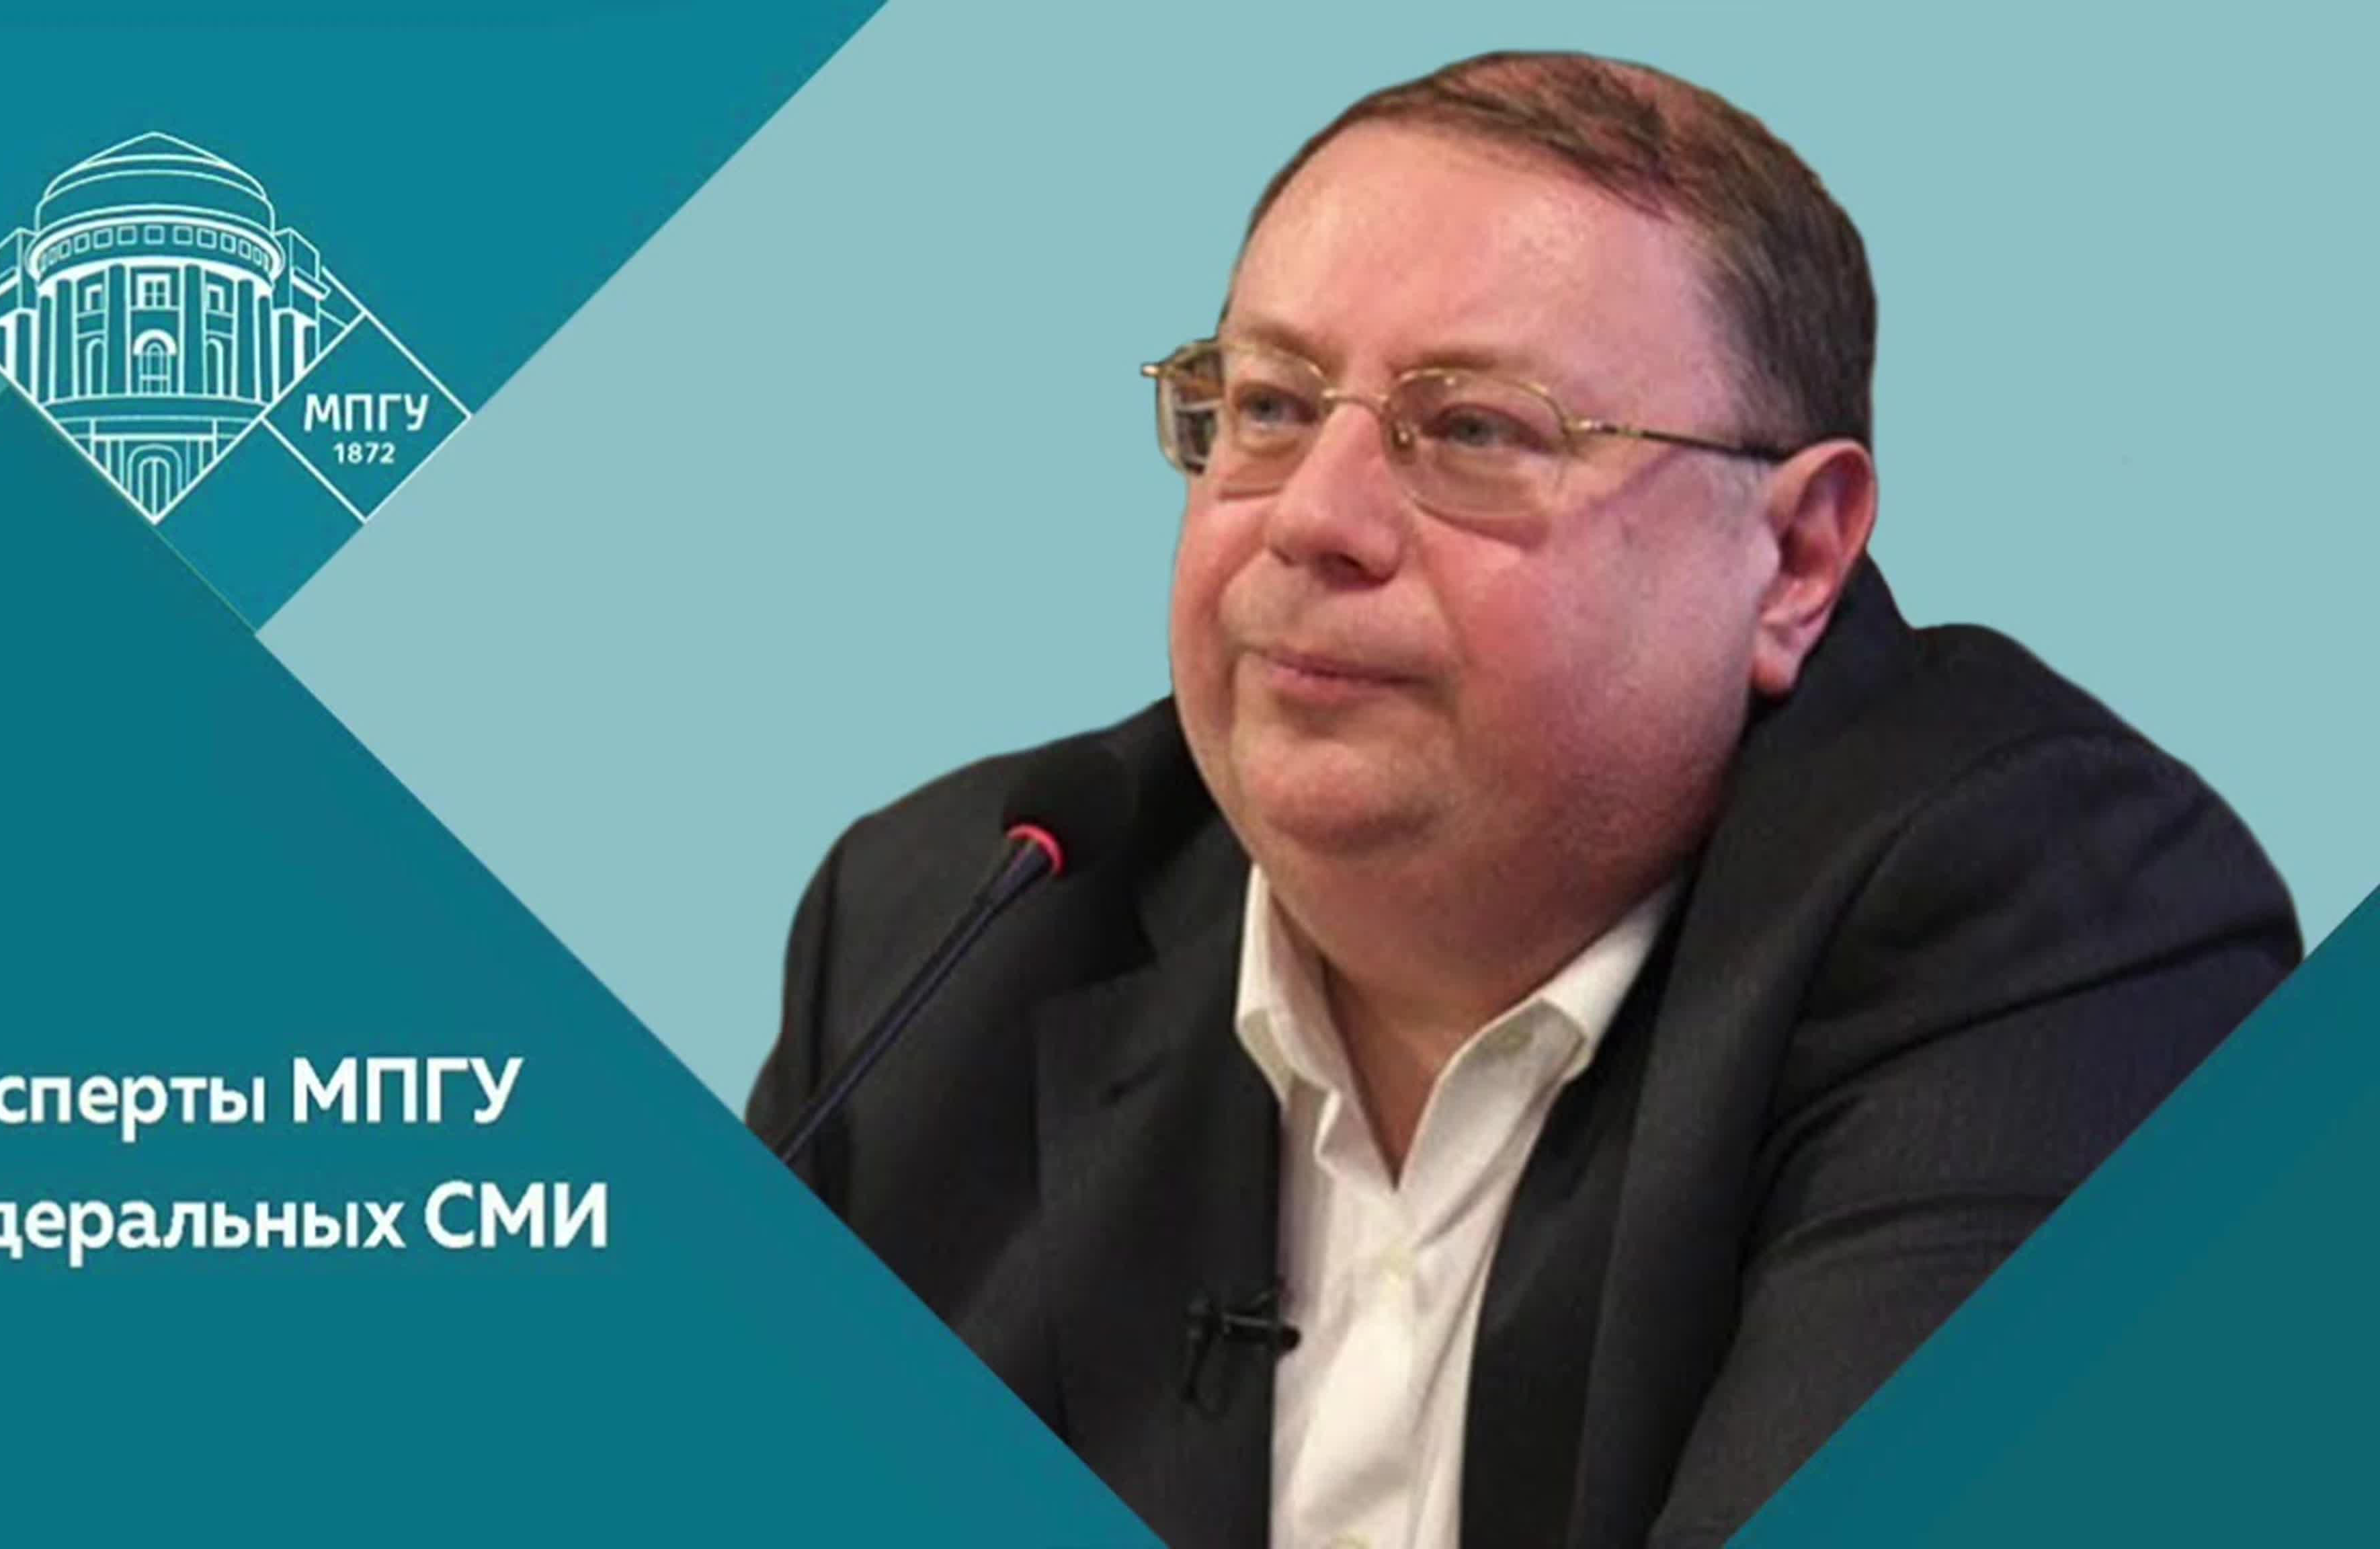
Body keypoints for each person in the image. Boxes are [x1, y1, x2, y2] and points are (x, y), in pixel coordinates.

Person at [746, 50, 2298, 1549]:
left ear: (1793, 557)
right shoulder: (951, 928)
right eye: (1269, 408)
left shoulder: (2056, 921)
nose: (1314, 520)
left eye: (1472, 430)